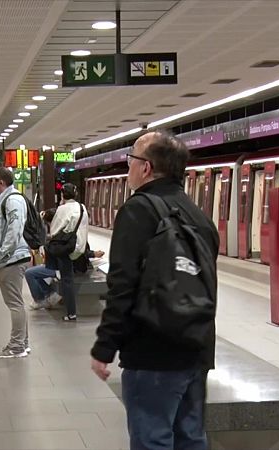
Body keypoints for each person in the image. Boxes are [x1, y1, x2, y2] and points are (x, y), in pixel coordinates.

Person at [90, 131, 219, 450]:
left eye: (131, 159)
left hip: (152, 351)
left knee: (153, 439)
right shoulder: (198, 215)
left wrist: (105, 346)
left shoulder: (138, 210)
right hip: (197, 348)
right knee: (191, 438)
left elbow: (122, 285)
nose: (129, 167)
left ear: (145, 167)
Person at [0, 167, 31, 358]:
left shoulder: (12, 200)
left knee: (14, 304)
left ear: (1, 183)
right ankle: (23, 343)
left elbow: (14, 230)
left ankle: (16, 347)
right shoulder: (7, 200)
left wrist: (2, 254)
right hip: (12, 258)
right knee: (17, 303)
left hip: (11, 260)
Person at [49, 183, 89, 321]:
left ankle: (71, 312)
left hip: (66, 248)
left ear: (62, 195)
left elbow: (54, 230)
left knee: (67, 279)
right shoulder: (82, 208)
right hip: (80, 249)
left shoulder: (62, 209)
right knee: (68, 277)